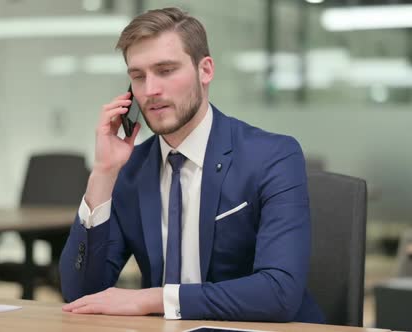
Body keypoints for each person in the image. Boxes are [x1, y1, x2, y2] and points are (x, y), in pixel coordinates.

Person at [60, 7, 324, 323]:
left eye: (166, 70)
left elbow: (279, 293)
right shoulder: (131, 169)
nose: (150, 90)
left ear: (205, 70)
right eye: (138, 76)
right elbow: (79, 294)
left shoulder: (273, 156)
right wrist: (103, 172)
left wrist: (153, 299)